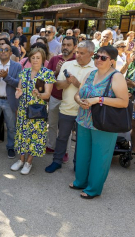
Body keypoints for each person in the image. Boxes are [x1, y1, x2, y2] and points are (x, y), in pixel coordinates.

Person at [71, 46, 129, 199]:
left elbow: (124, 102)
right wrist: (79, 100)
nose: (98, 59)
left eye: (103, 57)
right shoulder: (90, 74)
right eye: (97, 56)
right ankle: (80, 181)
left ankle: (93, 189)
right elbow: (78, 93)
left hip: (104, 123)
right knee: (83, 154)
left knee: (100, 157)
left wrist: (98, 99)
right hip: (84, 120)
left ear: (112, 61)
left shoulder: (116, 77)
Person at [45, 40, 96, 173]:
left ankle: (78, 165)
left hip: (85, 111)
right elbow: (58, 85)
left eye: (82, 53)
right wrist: (67, 82)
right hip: (66, 108)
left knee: (82, 142)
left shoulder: (96, 69)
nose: (78, 55)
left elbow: (95, 92)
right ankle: (57, 161)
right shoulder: (68, 64)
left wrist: (77, 83)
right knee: (62, 137)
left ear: (91, 54)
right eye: (77, 52)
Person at [11, 48, 55, 175]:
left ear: (43, 59)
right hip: (23, 109)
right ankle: (21, 160)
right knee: (22, 135)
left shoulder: (47, 73)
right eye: (33, 57)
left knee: (34, 136)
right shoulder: (24, 72)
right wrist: (18, 93)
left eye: (38, 57)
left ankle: (29, 162)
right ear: (29, 58)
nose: (35, 60)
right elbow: (19, 89)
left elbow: (47, 95)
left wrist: (39, 94)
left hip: (37, 110)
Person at [46, 36, 77, 156]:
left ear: (74, 47)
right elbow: (47, 77)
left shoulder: (76, 61)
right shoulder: (55, 59)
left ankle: (65, 152)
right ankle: (51, 145)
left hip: (69, 100)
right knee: (52, 124)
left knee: (66, 128)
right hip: (55, 97)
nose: (65, 47)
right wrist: (56, 71)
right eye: (64, 44)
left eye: (68, 45)